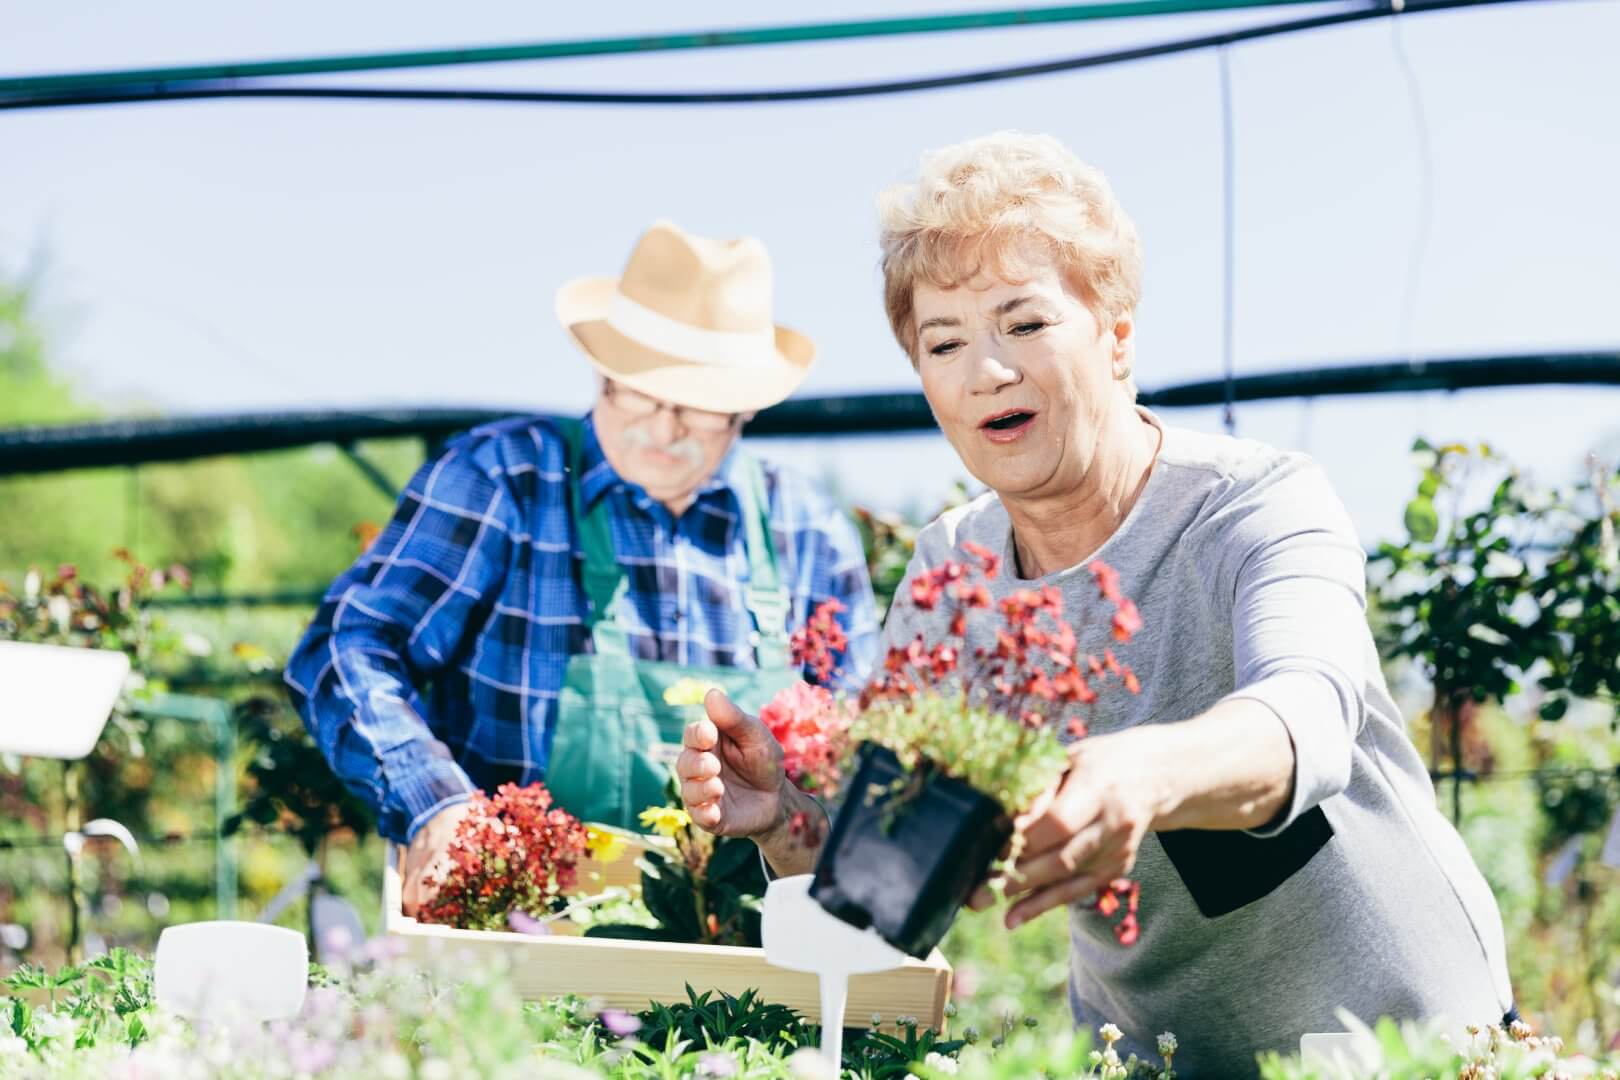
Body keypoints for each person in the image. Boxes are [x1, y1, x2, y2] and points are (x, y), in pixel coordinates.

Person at [676, 133, 1513, 1076]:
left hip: (1407, 1042)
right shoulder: (954, 574)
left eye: (1024, 323)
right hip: (1149, 1057)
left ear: (1116, 335)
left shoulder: (1252, 503)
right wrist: (786, 819)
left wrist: (1142, 775)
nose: (985, 370)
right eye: (943, 342)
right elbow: (895, 885)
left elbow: (1306, 716)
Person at [286, 220, 878, 917]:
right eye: (639, 392)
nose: (661, 428)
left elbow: (865, 768)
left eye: (696, 407)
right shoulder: (504, 480)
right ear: (603, 370)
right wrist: (433, 803)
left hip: (752, 971)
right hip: (516, 939)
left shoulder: (804, 530)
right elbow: (345, 645)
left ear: (746, 404)